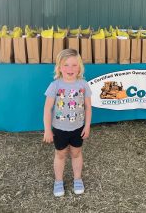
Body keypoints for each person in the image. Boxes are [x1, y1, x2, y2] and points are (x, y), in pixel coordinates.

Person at [43, 48, 92, 197]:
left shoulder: (83, 85)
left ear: (80, 67)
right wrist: (47, 130)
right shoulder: (55, 85)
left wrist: (87, 126)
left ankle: (77, 179)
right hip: (59, 129)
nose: (70, 69)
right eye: (66, 65)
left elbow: (88, 108)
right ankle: (58, 181)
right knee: (60, 154)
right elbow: (47, 109)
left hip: (78, 128)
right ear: (59, 67)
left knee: (76, 153)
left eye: (74, 65)